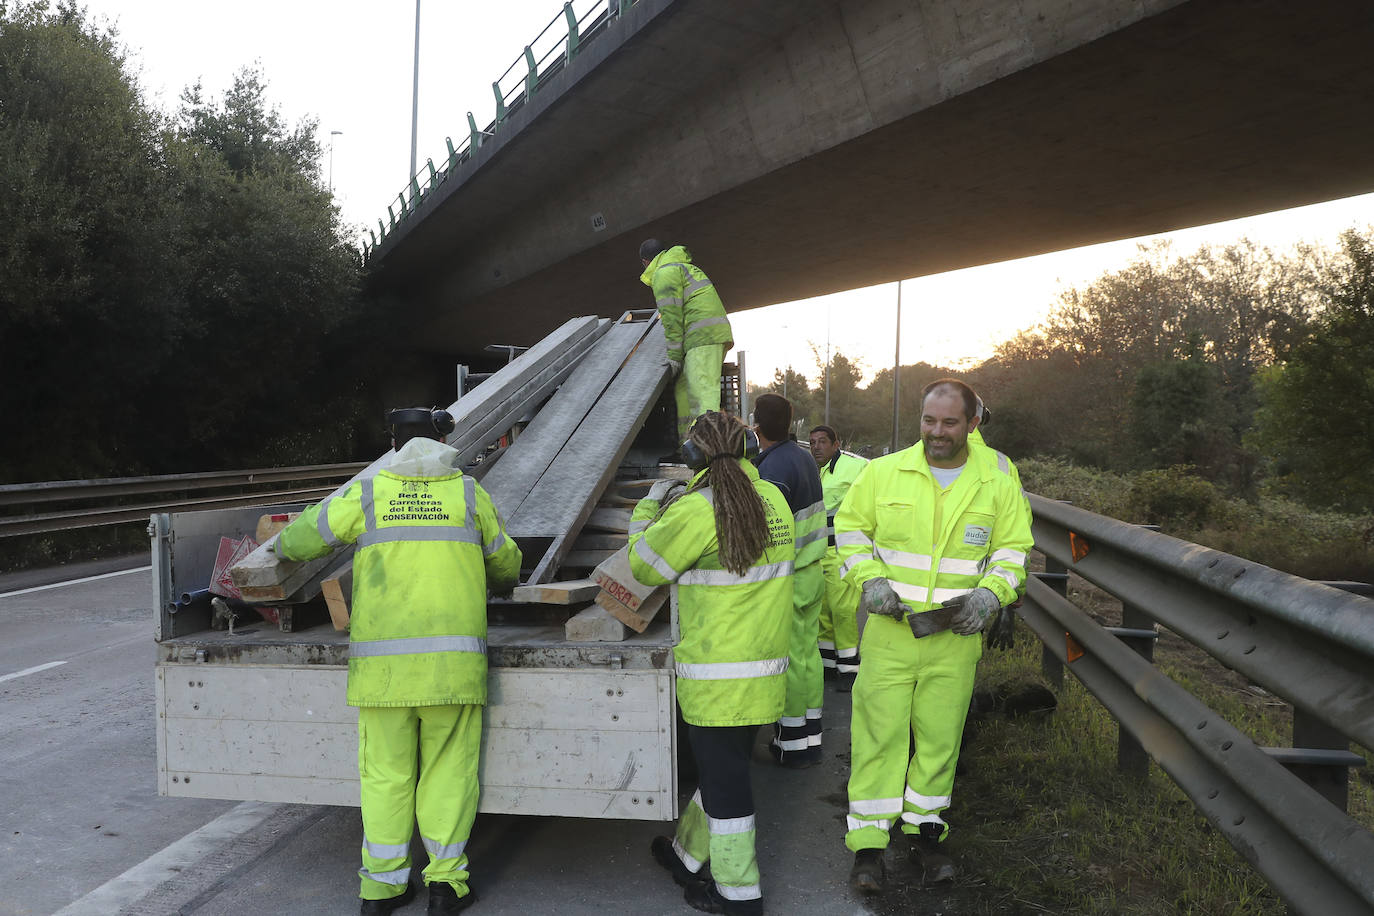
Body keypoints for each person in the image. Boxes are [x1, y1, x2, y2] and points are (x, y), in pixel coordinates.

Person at [274, 407, 522, 916]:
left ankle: (382, 889)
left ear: (394, 446)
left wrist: (275, 543)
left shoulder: (369, 494)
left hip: (383, 675)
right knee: (448, 774)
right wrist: (497, 582)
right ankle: (446, 886)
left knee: (385, 778)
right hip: (451, 673)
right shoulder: (468, 495)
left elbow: (300, 540)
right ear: (442, 443)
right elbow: (506, 563)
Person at [836, 380, 1032, 892]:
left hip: (955, 636)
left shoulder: (996, 481)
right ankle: (869, 846)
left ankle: (925, 829)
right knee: (878, 736)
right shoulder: (883, 473)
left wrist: (991, 595)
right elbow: (851, 533)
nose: (936, 432)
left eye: (949, 422)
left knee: (941, 739)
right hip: (891, 633)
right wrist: (870, 580)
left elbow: (1013, 550)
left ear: (972, 423)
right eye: (929, 420)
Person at [628, 411, 794, 916]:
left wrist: (648, 507)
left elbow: (643, 566)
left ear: (692, 456)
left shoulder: (698, 508)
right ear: (748, 448)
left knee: (727, 791)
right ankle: (687, 856)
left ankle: (738, 894)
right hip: (763, 675)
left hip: (715, 682)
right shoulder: (774, 500)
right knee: (725, 773)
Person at [751, 394, 828, 768]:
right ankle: (811, 734)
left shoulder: (772, 469)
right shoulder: (803, 457)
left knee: (791, 661)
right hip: (812, 571)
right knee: (808, 656)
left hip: (790, 577)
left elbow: (769, 534)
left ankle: (793, 743)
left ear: (757, 424)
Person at [639, 239, 733, 440]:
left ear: (646, 262)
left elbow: (671, 319)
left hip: (703, 337)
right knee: (684, 390)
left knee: (703, 393)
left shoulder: (664, 273)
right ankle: (688, 444)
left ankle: (709, 448)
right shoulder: (682, 268)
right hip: (705, 335)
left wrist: (674, 356)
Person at [807, 425, 868, 691]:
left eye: (822, 442)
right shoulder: (815, 471)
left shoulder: (855, 468)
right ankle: (828, 666)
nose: (816, 447)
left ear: (836, 444)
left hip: (842, 552)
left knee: (843, 611)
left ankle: (849, 669)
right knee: (822, 611)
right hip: (820, 552)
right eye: (812, 442)